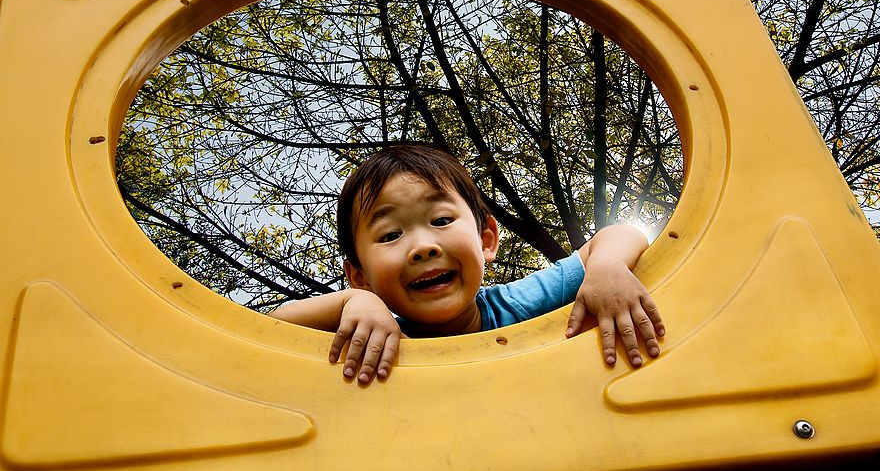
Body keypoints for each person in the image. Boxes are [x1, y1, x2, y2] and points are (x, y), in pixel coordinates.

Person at [270, 145, 664, 384]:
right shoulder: (378, 336)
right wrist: (352, 303)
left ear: (486, 239)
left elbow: (622, 233)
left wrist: (608, 267)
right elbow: (270, 328)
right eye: (390, 235)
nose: (422, 247)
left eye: (441, 221)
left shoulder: (516, 304)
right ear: (360, 276)